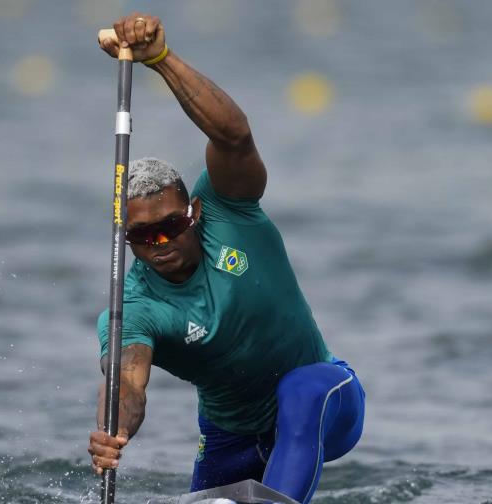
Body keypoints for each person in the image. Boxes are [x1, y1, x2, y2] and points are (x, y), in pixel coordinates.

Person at [88, 13, 365, 504]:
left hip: (328, 401)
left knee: (300, 392)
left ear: (192, 212)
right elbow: (128, 384)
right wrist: (113, 430)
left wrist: (160, 60)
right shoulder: (132, 307)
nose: (162, 245)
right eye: (144, 238)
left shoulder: (226, 207)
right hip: (230, 438)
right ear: (126, 241)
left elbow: (233, 136)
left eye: (171, 226)